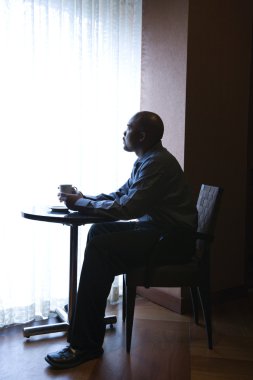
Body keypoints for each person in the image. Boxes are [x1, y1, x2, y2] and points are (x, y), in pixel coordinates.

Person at [45, 111, 197, 369]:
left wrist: (81, 203)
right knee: (98, 233)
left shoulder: (157, 163)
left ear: (141, 136)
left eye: (127, 129)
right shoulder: (148, 160)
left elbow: (129, 208)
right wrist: (86, 199)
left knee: (102, 248)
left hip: (172, 240)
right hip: (159, 232)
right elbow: (122, 194)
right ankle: (87, 311)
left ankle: (85, 344)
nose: (123, 133)